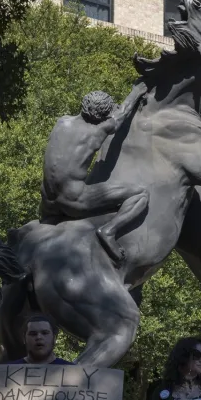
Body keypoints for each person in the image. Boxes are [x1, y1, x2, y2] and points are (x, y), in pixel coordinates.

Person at [40, 86, 150, 266]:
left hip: (47, 201)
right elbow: (122, 112)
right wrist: (137, 91)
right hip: (73, 200)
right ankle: (109, 231)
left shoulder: (62, 122)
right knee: (141, 194)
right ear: (102, 116)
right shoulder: (100, 129)